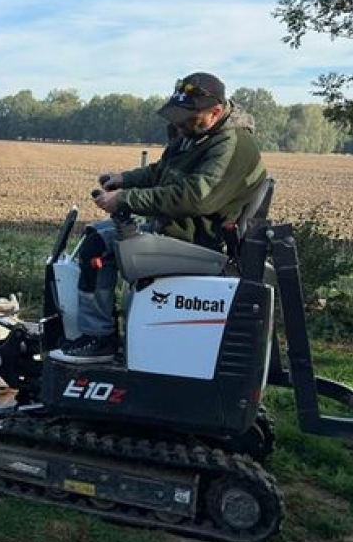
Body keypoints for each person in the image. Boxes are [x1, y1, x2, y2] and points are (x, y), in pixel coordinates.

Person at [50, 71, 267, 364]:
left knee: (99, 247)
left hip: (203, 244)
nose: (178, 124)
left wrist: (124, 200)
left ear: (215, 112)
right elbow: (160, 171)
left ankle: (99, 339)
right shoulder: (196, 135)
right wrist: (123, 180)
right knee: (96, 236)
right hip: (176, 231)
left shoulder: (232, 145)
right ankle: (95, 334)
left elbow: (195, 197)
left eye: (186, 118)